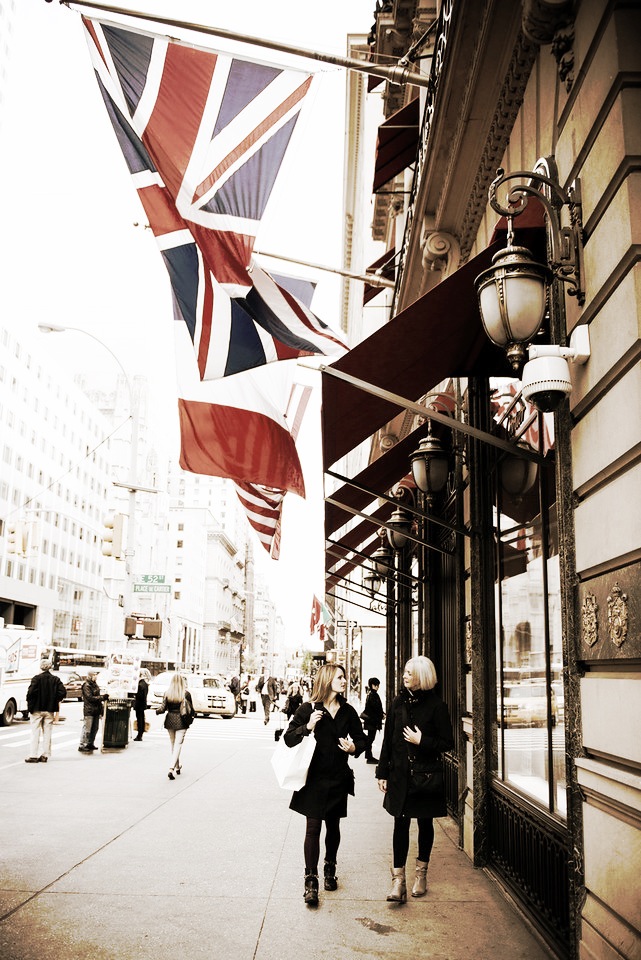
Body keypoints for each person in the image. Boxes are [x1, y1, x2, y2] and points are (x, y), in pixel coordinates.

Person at [284, 662, 366, 906]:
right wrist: (307, 727)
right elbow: (288, 738)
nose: (344, 680)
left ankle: (330, 867)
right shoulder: (308, 708)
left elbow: (362, 740)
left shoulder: (348, 711)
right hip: (313, 779)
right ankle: (311, 881)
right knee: (312, 829)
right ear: (328, 679)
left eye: (343, 677)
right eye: (340, 677)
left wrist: (354, 748)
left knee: (333, 826)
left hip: (338, 777)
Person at [376, 656, 454, 902]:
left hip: (425, 776)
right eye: (405, 671)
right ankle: (398, 881)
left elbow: (447, 742)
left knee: (424, 824)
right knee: (400, 824)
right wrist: (382, 772)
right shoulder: (398, 702)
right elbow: (388, 740)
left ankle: (421, 874)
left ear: (422, 677)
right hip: (399, 775)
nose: (405, 675)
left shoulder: (436, 706)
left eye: (410, 672)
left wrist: (423, 741)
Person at [24, 659, 67, 763]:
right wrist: (54, 700)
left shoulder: (36, 679)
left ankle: (33, 755)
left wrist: (30, 705)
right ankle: (45, 755)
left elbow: (30, 693)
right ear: (50, 667)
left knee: (35, 732)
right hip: (49, 710)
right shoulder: (55, 679)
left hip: (37, 709)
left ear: (41, 667)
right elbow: (63, 692)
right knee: (47, 732)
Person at [156, 673, 194, 779]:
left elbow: (162, 708)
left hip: (170, 720)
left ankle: (177, 766)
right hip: (182, 721)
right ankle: (171, 769)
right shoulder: (186, 694)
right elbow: (191, 709)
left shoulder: (167, 693)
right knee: (178, 745)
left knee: (173, 745)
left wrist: (157, 711)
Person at [78, 669, 108, 753]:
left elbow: (96, 696)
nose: (96, 677)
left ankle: (90, 743)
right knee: (87, 728)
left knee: (95, 728)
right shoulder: (87, 685)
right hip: (89, 710)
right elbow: (90, 698)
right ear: (90, 676)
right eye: (94, 675)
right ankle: (83, 744)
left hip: (96, 709)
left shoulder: (94, 685)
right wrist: (102, 697)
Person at [361, 677, 385, 764]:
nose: (378, 687)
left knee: (370, 738)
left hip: (371, 721)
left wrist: (382, 713)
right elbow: (375, 708)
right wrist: (381, 714)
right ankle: (369, 757)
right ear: (373, 685)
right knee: (370, 739)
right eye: (377, 685)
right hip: (372, 721)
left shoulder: (370, 694)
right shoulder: (373, 695)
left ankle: (368, 756)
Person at [133, 668, 152, 741]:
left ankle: (139, 735)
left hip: (139, 704)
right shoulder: (145, 684)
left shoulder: (140, 684)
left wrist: (135, 694)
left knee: (140, 719)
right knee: (141, 719)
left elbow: (140, 695)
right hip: (142, 704)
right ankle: (140, 734)